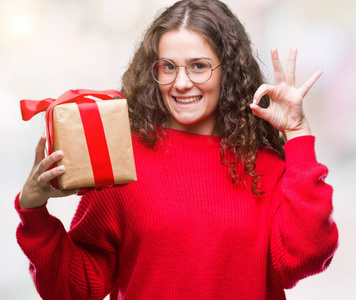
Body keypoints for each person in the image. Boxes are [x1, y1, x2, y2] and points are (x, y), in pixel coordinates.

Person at [15, 0, 338, 299]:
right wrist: (34, 214)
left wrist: (297, 134)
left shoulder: (264, 167)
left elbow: (305, 257)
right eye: (168, 66)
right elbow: (76, 287)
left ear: (228, 71)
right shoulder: (122, 163)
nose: (181, 82)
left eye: (198, 66)